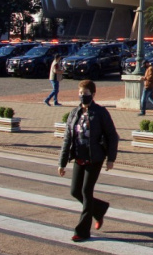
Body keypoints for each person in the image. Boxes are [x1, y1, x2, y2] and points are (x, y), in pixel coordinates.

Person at [58, 80, 119, 243]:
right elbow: (67, 138)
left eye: (85, 94)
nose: (82, 96)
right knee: (74, 191)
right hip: (79, 156)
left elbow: (113, 136)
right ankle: (99, 209)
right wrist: (62, 162)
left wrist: (111, 158)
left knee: (86, 191)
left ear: (93, 94)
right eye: (80, 93)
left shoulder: (100, 112)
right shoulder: (74, 113)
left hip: (95, 158)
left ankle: (83, 231)